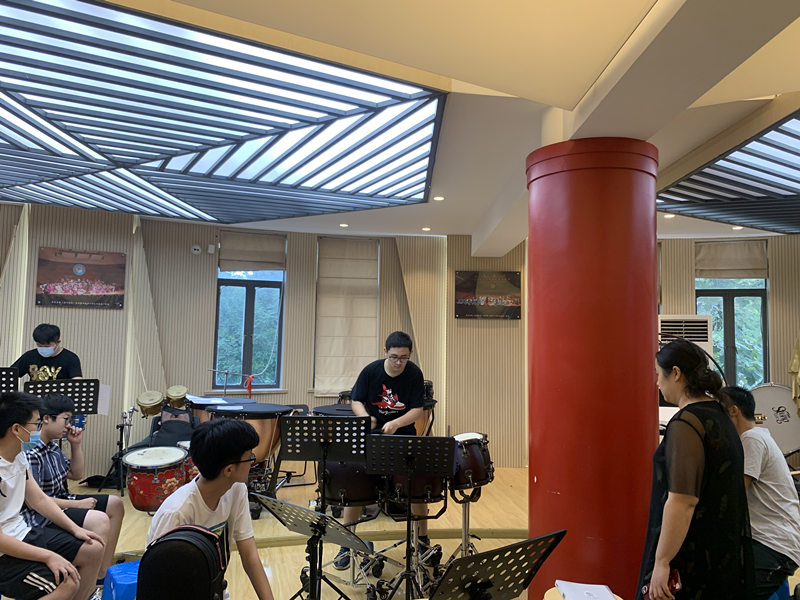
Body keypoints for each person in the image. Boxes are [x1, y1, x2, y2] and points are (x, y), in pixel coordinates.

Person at [636, 338, 752, 600]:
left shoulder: (686, 423)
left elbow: (683, 500)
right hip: (720, 555)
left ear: (676, 373)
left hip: (692, 556)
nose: (657, 383)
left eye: (658, 375)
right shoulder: (720, 414)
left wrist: (662, 561)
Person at [147, 418, 275, 600]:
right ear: (229, 470)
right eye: (250, 457)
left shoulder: (236, 489)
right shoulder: (177, 512)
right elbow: (158, 582)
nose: (252, 463)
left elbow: (249, 556)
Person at [333, 330, 426, 570]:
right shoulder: (371, 371)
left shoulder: (414, 374)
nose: (398, 362)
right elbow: (356, 400)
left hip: (403, 436)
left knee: (416, 488)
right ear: (385, 352)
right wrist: (366, 418)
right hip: (372, 437)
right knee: (356, 485)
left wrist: (396, 423)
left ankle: (422, 541)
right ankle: (347, 543)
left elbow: (417, 409)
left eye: (403, 358)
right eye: (394, 357)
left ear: (410, 354)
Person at [0, 391, 104, 600]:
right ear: (16, 429)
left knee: (93, 549)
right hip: (4, 551)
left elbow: (39, 499)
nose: (39, 429)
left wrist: (75, 529)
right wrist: (49, 556)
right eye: (36, 424)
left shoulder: (18, 456)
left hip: (23, 531)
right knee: (67, 583)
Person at [22, 394, 124, 589]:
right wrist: (77, 504)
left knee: (115, 504)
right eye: (65, 419)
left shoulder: (52, 447)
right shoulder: (31, 452)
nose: (69, 426)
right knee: (99, 520)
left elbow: (76, 474)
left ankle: (102, 574)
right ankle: (89, 582)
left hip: (61, 499)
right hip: (46, 511)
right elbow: (36, 500)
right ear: (46, 418)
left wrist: (76, 444)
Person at [725, 385, 800, 600]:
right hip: (771, 540)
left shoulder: (752, 439)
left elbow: (735, 493)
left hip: (774, 542)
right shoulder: (758, 436)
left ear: (733, 410)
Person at [11, 324, 82, 381]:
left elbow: (77, 382)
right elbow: (10, 375)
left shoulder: (71, 358)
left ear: (58, 342)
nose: (43, 348)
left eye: (47, 346)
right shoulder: (29, 356)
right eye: (39, 345)